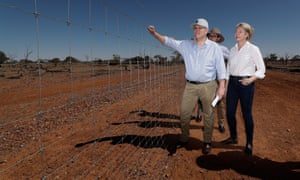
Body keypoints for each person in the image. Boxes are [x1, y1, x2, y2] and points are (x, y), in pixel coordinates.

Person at [147, 18, 226, 155]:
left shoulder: (215, 48)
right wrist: (155, 34)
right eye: (195, 28)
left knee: (208, 114)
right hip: (190, 86)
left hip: (209, 85)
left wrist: (222, 86)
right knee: (184, 113)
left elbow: (220, 68)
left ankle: (207, 141)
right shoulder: (186, 44)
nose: (196, 30)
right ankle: (184, 138)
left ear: (206, 31)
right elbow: (168, 41)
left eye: (199, 28)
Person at [221, 22, 266, 156]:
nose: (236, 34)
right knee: (229, 113)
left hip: (246, 84)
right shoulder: (232, 50)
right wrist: (226, 85)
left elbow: (262, 69)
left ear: (246, 35)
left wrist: (251, 79)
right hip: (233, 84)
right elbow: (228, 69)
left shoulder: (253, 49)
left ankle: (249, 143)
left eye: (240, 32)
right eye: (236, 31)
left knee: (246, 114)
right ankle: (233, 137)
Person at [206, 27, 230, 133]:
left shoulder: (223, 49)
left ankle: (221, 123)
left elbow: (231, 60)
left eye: (214, 36)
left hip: (219, 79)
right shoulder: (203, 47)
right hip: (207, 78)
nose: (212, 37)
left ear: (218, 38)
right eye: (210, 35)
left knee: (220, 102)